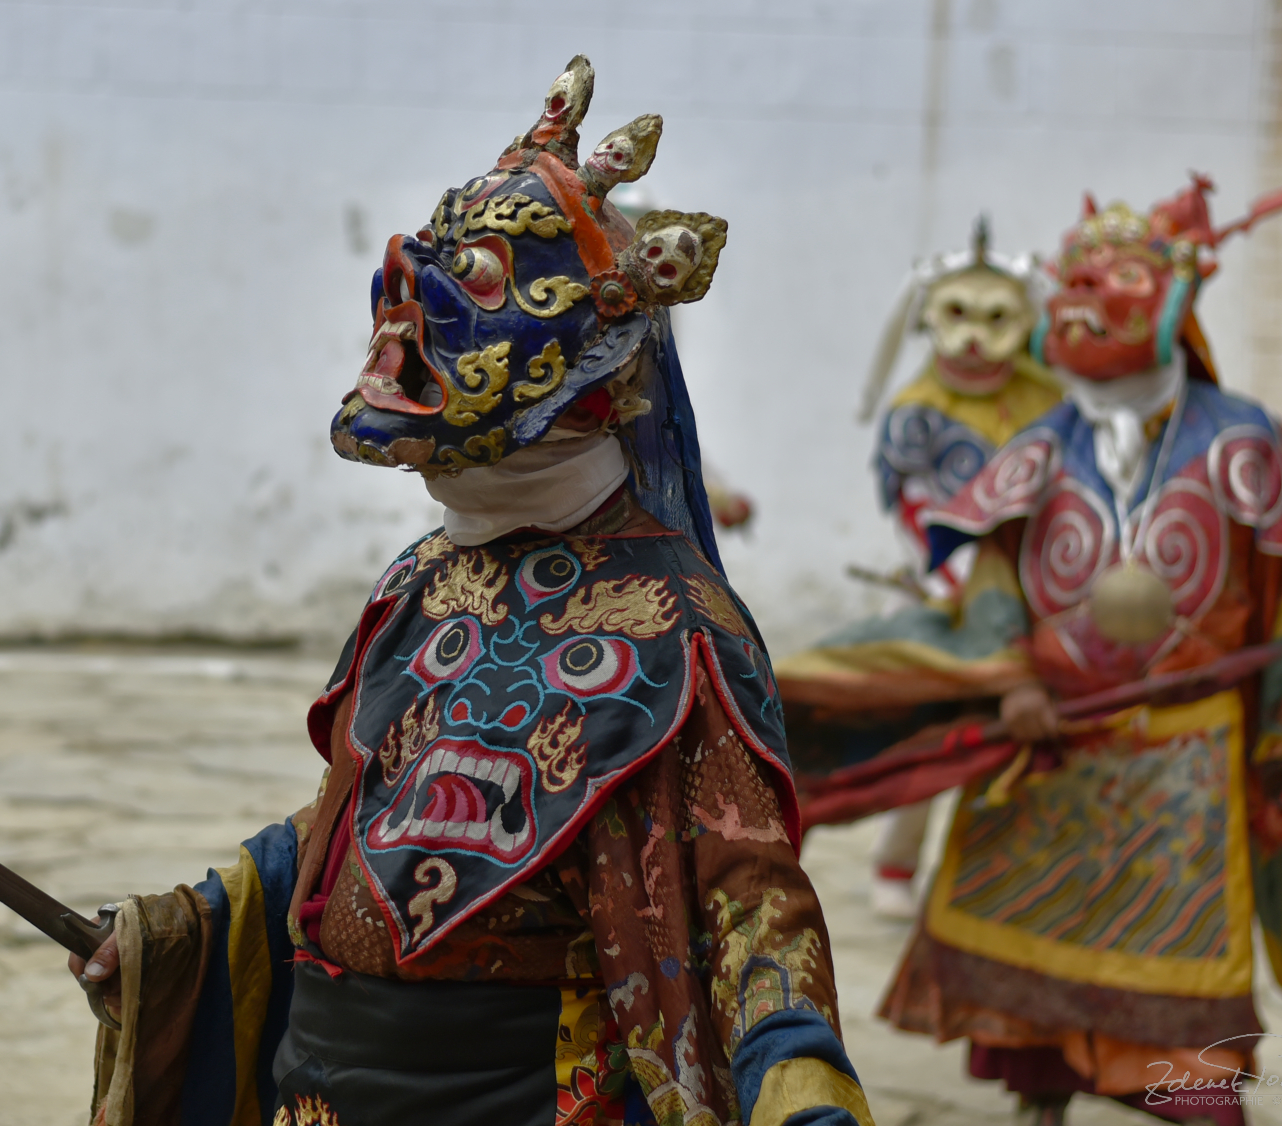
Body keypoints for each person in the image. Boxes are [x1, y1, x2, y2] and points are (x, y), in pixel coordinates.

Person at [68, 57, 874, 1126]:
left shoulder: (679, 631)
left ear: (607, 381)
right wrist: (190, 924)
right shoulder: (422, 578)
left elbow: (750, 908)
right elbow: (354, 817)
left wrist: (799, 1084)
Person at [877, 175, 1282, 1126]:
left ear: (1176, 297)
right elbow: (996, 582)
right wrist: (1008, 683)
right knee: (1029, 983)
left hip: (1187, 762)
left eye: (1116, 277)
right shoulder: (1041, 448)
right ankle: (1040, 1099)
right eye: (1077, 277)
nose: (1087, 297)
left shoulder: (1243, 442)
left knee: (1183, 991)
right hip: (1052, 746)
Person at [779, 220, 1061, 917]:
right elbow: (911, 504)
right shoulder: (916, 411)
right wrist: (955, 581)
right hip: (949, 593)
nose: (973, 337)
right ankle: (897, 865)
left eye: (995, 318)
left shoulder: (1049, 398)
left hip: (1037, 592)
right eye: (958, 314)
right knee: (936, 721)